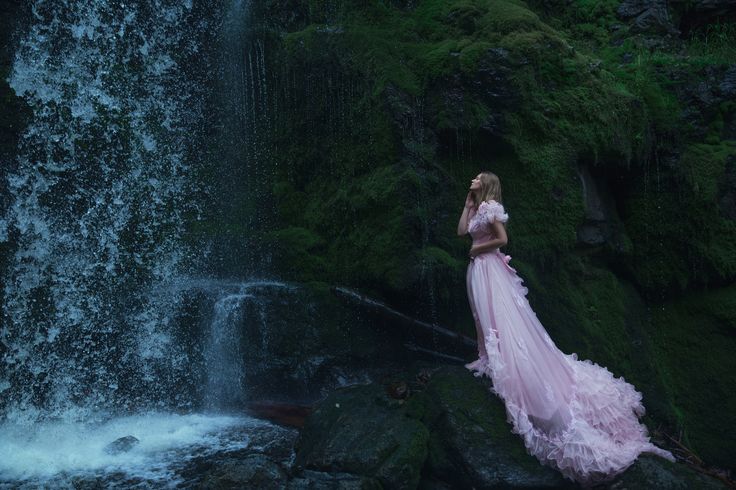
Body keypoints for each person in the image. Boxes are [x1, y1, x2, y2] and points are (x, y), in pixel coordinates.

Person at [457, 171, 676, 485]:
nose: (473, 179)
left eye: (478, 178)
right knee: (483, 315)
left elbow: (502, 239)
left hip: (488, 266)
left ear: (488, 183)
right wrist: (466, 206)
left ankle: (510, 364)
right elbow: (462, 231)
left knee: (502, 317)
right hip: (479, 268)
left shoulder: (491, 206)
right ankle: (491, 358)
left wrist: (479, 250)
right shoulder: (478, 207)